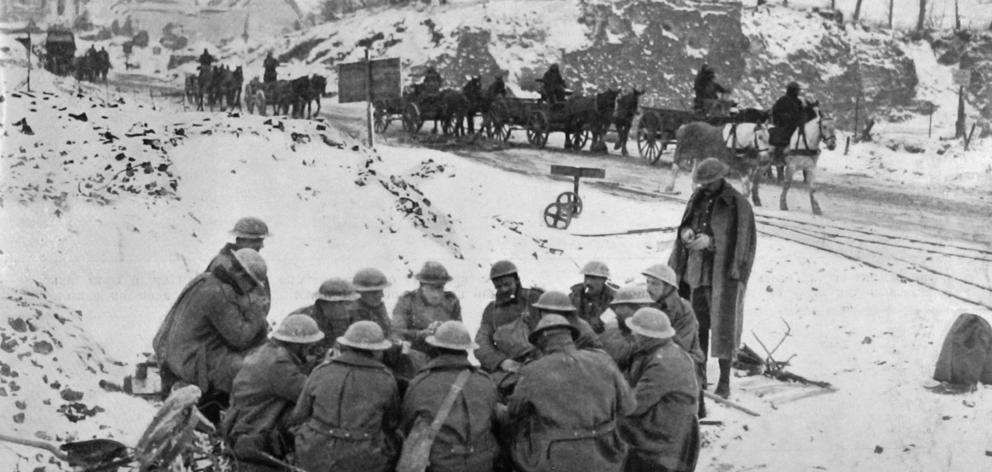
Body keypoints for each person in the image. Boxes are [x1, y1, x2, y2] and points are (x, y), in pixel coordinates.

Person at [668, 158, 757, 399]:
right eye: (702, 183)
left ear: (720, 179)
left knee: (724, 327)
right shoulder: (697, 198)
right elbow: (686, 224)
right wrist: (686, 232)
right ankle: (700, 375)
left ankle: (725, 381)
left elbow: (743, 244)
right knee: (698, 326)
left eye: (708, 183)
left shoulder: (738, 204)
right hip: (695, 274)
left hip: (723, 276)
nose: (704, 187)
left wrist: (712, 242)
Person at [152, 248, 270, 424]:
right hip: (190, 361)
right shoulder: (219, 293)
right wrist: (257, 313)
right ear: (242, 276)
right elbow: (240, 337)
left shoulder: (206, 279)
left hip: (172, 352)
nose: (251, 289)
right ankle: (236, 415)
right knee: (251, 370)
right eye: (252, 284)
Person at [507, 315, 635, 472]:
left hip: (555, 459)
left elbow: (514, 413)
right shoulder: (603, 360)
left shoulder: (532, 371)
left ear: (540, 343)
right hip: (607, 453)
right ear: (571, 337)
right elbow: (629, 406)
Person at [291, 321, 401, 472]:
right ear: (377, 351)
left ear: (346, 346)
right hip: (362, 459)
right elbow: (391, 423)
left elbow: (299, 415)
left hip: (313, 454)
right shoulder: (386, 379)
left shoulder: (321, 370)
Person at [223, 314, 324, 471]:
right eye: (309, 346)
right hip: (254, 436)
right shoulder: (278, 364)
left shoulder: (266, 352)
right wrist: (325, 368)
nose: (311, 351)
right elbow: (312, 394)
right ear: (298, 345)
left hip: (243, 427)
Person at [401, 321, 500, 472]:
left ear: (437, 348)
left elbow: (408, 423)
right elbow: (493, 421)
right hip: (480, 464)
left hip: (438, 465)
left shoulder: (421, 383)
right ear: (467, 350)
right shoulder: (486, 382)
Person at [620, 308, 700, 472]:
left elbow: (635, 405)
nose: (633, 335)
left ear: (647, 336)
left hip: (666, 439)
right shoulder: (664, 351)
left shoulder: (663, 362)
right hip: (671, 429)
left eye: (636, 332)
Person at [642, 263, 707, 416]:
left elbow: (680, 346)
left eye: (655, 284)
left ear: (668, 288)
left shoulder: (684, 310)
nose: (649, 288)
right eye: (648, 282)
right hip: (656, 356)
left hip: (685, 361)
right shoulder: (648, 304)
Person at [473, 260, 543, 389]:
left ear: (516, 280)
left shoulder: (535, 299)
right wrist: (501, 361)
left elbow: (554, 331)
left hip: (540, 363)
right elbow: (480, 344)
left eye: (507, 284)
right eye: (498, 286)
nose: (503, 289)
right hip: (508, 369)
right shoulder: (491, 311)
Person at [206, 217, 272, 317]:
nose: (262, 246)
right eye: (258, 240)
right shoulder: (224, 265)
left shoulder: (250, 264)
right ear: (243, 240)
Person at [392, 261, 461, 355]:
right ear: (422, 286)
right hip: (414, 356)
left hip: (444, 356)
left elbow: (460, 336)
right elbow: (396, 334)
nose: (436, 294)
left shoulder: (451, 302)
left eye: (440, 288)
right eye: (431, 288)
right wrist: (421, 335)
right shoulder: (407, 301)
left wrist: (444, 330)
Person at [291, 277, 361, 356]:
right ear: (330, 303)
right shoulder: (301, 321)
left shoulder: (349, 317)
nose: (349, 308)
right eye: (347, 303)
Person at [601, 283, 655, 371]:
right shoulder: (630, 324)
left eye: (619, 306)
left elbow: (617, 356)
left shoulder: (644, 329)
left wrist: (612, 331)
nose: (616, 310)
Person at [532, 290, 603, 351]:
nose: (544, 315)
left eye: (547, 311)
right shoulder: (557, 325)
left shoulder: (578, 328)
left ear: (563, 312)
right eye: (543, 311)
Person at [569, 260, 616, 334]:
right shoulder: (574, 296)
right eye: (586, 277)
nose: (588, 282)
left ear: (604, 279)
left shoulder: (613, 300)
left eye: (593, 278)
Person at [770, 81, 806, 161]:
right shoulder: (783, 100)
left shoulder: (799, 102)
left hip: (796, 126)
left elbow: (802, 113)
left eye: (797, 90)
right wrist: (784, 117)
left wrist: (801, 121)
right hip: (784, 126)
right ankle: (777, 156)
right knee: (779, 139)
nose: (797, 92)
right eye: (796, 90)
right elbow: (775, 112)